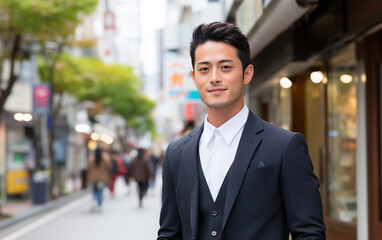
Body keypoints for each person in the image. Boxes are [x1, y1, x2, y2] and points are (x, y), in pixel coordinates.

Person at [157, 22, 326, 240]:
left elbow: (309, 233)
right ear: (194, 78)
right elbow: (170, 233)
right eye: (204, 69)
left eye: (225, 67)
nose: (214, 77)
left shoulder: (285, 146)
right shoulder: (175, 154)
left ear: (247, 74)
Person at [87, 147, 111, 211]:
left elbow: (88, 167)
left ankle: (94, 200)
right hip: (101, 178)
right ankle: (99, 203)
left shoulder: (91, 158)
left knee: (94, 190)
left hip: (94, 177)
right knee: (100, 191)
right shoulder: (105, 158)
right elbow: (108, 167)